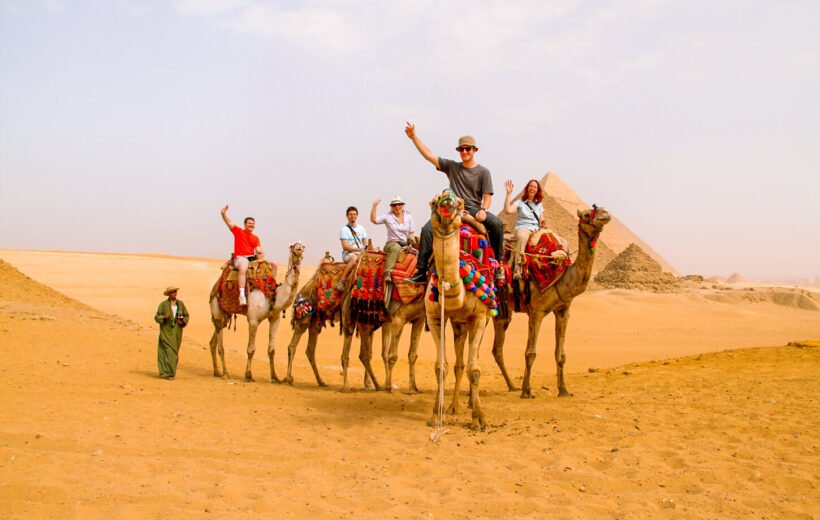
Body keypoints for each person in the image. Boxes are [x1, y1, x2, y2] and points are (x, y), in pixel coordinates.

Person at [404, 122, 504, 284]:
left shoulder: (483, 172)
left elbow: (487, 196)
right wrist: (414, 137)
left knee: (497, 224)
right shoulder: (452, 167)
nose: (465, 152)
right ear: (458, 151)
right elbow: (429, 155)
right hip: (452, 210)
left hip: (473, 209)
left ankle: (499, 264)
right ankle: (421, 271)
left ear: (475, 150)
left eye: (468, 149)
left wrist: (484, 209)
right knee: (427, 230)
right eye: (462, 149)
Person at [220, 205, 274, 305]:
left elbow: (258, 248)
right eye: (249, 223)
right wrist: (223, 213)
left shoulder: (256, 238)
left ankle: (270, 290)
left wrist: (260, 252)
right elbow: (228, 222)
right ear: (245, 224)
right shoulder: (238, 232)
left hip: (252, 259)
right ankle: (241, 295)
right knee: (244, 267)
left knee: (272, 265)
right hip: (240, 258)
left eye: (253, 224)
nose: (251, 225)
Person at [503, 179, 545, 279]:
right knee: (522, 236)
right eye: (531, 186)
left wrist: (543, 224)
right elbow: (507, 210)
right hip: (523, 227)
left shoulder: (539, 205)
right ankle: (517, 267)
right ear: (527, 188)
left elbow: (541, 219)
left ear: (537, 190)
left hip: (535, 229)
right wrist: (508, 194)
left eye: (535, 187)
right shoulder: (520, 203)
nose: (532, 188)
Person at [370, 195, 415, 282]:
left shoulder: (409, 217)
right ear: (391, 207)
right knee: (396, 248)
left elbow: (411, 233)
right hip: (392, 244)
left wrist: (411, 242)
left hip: (405, 244)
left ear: (402, 205)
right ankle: (388, 272)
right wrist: (374, 206)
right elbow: (374, 220)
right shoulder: (388, 216)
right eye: (394, 205)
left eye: (399, 204)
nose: (397, 207)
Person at [154, 286, 189, 380]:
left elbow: (186, 315)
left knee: (174, 351)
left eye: (175, 292)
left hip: (177, 332)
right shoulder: (163, 304)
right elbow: (157, 316)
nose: (175, 294)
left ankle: (170, 372)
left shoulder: (180, 304)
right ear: (169, 294)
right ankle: (167, 372)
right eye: (173, 292)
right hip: (166, 332)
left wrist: (183, 322)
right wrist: (164, 317)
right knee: (166, 351)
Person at [337, 205, 368, 291]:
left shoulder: (361, 228)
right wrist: (359, 250)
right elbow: (345, 246)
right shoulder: (344, 230)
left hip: (360, 253)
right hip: (349, 254)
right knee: (354, 259)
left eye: (354, 214)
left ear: (357, 216)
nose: (353, 216)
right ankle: (342, 281)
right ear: (347, 216)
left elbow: (365, 242)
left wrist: (366, 248)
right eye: (350, 214)